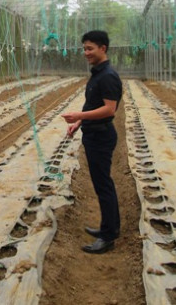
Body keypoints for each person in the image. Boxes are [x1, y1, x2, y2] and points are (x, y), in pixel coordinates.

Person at [61, 30, 123, 254]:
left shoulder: (107, 76)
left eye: (90, 48)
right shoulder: (97, 74)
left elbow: (109, 109)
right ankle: (109, 227)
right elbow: (92, 104)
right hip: (94, 134)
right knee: (102, 184)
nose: (85, 52)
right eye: (84, 48)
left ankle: (108, 236)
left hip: (101, 136)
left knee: (103, 185)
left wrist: (78, 116)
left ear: (103, 49)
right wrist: (78, 124)